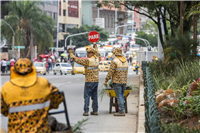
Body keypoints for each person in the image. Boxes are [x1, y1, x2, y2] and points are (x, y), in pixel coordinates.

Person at [0, 58, 64, 132]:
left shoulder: (7, 87)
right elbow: (58, 98)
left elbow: (3, 109)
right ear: (32, 69)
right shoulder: (43, 83)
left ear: (14, 71)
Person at [68, 44, 101, 116]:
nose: (87, 54)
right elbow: (98, 54)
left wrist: (71, 54)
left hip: (89, 81)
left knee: (87, 96)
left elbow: (78, 60)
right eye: (87, 53)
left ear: (92, 53)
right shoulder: (97, 59)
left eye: (89, 53)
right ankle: (95, 110)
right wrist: (96, 47)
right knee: (94, 96)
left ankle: (86, 111)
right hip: (96, 81)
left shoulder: (88, 60)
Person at [104, 47, 128, 116]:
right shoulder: (125, 60)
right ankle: (122, 109)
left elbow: (110, 72)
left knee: (119, 96)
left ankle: (121, 111)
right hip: (124, 81)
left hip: (117, 81)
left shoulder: (115, 61)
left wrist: (106, 80)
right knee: (122, 95)